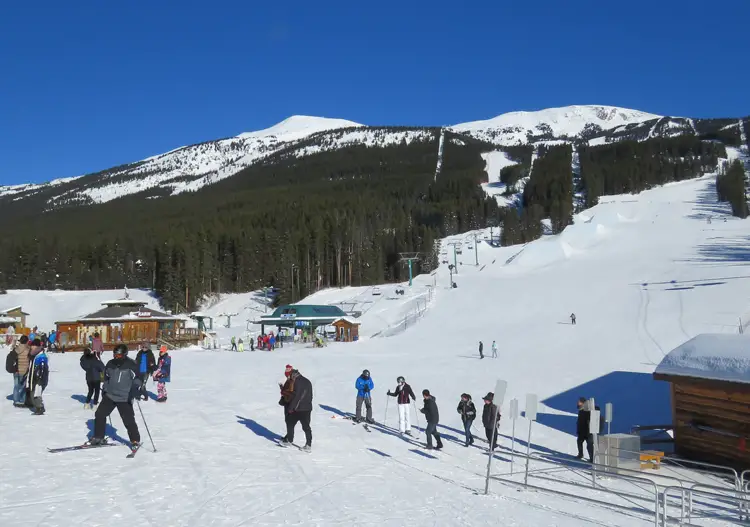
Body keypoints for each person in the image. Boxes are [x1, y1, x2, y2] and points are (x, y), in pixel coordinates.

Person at [89, 344, 141, 447]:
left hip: (124, 397)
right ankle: (99, 437)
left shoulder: (131, 364)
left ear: (124, 355)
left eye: (119, 356)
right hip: (110, 395)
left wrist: (135, 388)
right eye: (115, 355)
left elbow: (139, 378)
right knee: (99, 414)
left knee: (128, 420)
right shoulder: (110, 363)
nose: (116, 357)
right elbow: (106, 377)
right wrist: (105, 388)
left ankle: (135, 440)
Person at [280, 369, 313, 451]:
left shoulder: (297, 382)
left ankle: (289, 441)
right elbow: (310, 396)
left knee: (290, 424)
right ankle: (308, 445)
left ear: (292, 375)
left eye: (288, 376)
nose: (288, 378)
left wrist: (291, 408)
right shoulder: (307, 381)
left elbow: (297, 397)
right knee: (306, 427)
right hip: (307, 408)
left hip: (297, 409)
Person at [27, 339, 49, 415]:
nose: (31, 347)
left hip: (39, 379)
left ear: (37, 346)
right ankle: (38, 406)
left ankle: (40, 407)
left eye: (33, 346)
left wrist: (40, 377)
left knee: (36, 394)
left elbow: (43, 368)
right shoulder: (35, 355)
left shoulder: (41, 357)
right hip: (34, 378)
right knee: (33, 393)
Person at [9, 335, 30, 408]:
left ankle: (16, 400)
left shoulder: (16, 349)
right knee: (23, 387)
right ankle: (22, 400)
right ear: (27, 341)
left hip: (16, 370)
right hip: (24, 371)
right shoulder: (28, 349)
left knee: (16, 386)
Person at [576, 397, 594, 462]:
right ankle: (580, 454)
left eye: (579, 402)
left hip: (588, 431)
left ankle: (592, 458)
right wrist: (578, 430)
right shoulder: (581, 410)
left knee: (589, 446)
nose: (578, 403)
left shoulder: (588, 409)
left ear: (583, 402)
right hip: (582, 431)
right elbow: (579, 421)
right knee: (579, 442)